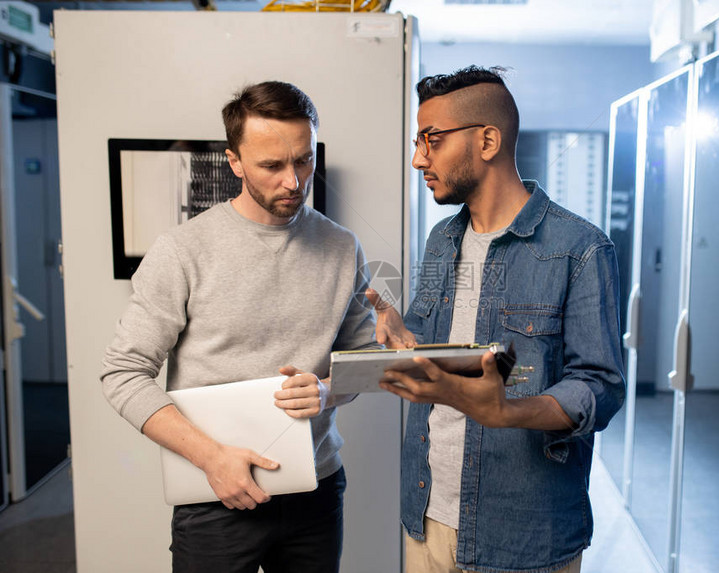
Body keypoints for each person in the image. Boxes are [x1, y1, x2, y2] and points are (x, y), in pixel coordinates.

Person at [101, 81, 377, 573]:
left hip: (315, 488)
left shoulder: (342, 246)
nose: (294, 181)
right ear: (235, 162)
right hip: (214, 493)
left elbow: (361, 361)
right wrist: (210, 457)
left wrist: (329, 390)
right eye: (272, 166)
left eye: (304, 160)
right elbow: (122, 373)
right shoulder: (182, 250)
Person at [369, 66, 626, 573]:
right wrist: (404, 335)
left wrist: (508, 411)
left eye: (432, 140)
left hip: (522, 536)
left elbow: (600, 387)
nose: (418, 158)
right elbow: (436, 346)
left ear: (487, 140)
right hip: (425, 517)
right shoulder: (441, 240)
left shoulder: (580, 249)